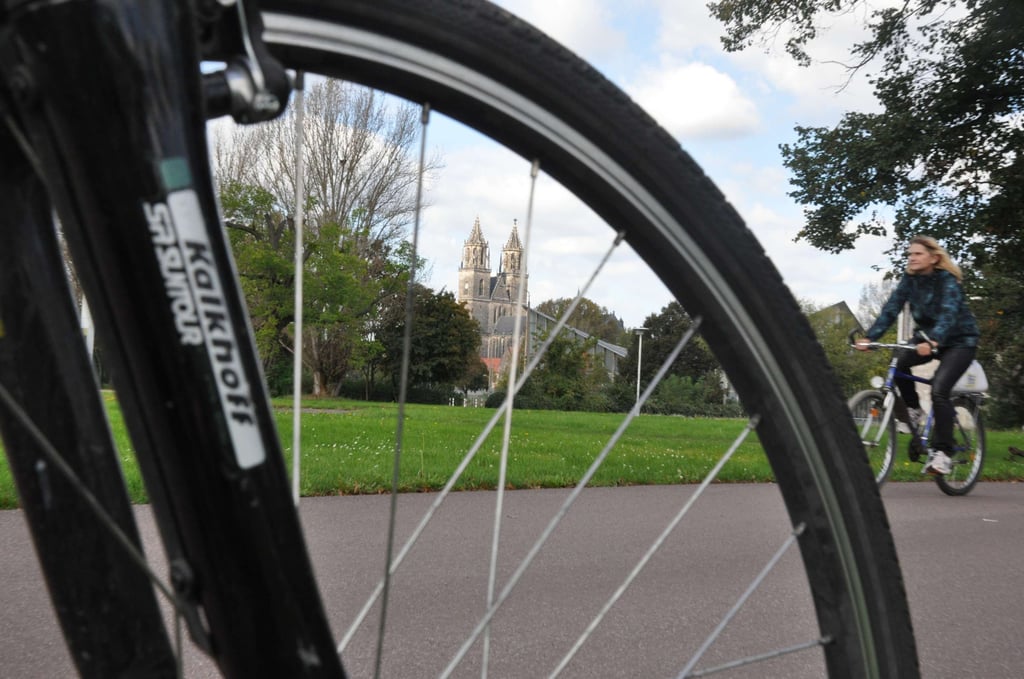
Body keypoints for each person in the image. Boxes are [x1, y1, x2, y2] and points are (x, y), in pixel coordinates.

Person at [856, 235, 980, 475]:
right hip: (925, 339)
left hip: (959, 341)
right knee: (899, 365)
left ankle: (943, 453)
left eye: (917, 254)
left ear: (934, 258)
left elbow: (949, 313)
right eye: (909, 254)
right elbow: (891, 309)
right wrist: (871, 337)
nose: (911, 258)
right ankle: (913, 410)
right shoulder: (909, 281)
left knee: (939, 391)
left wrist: (934, 340)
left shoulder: (948, 281)